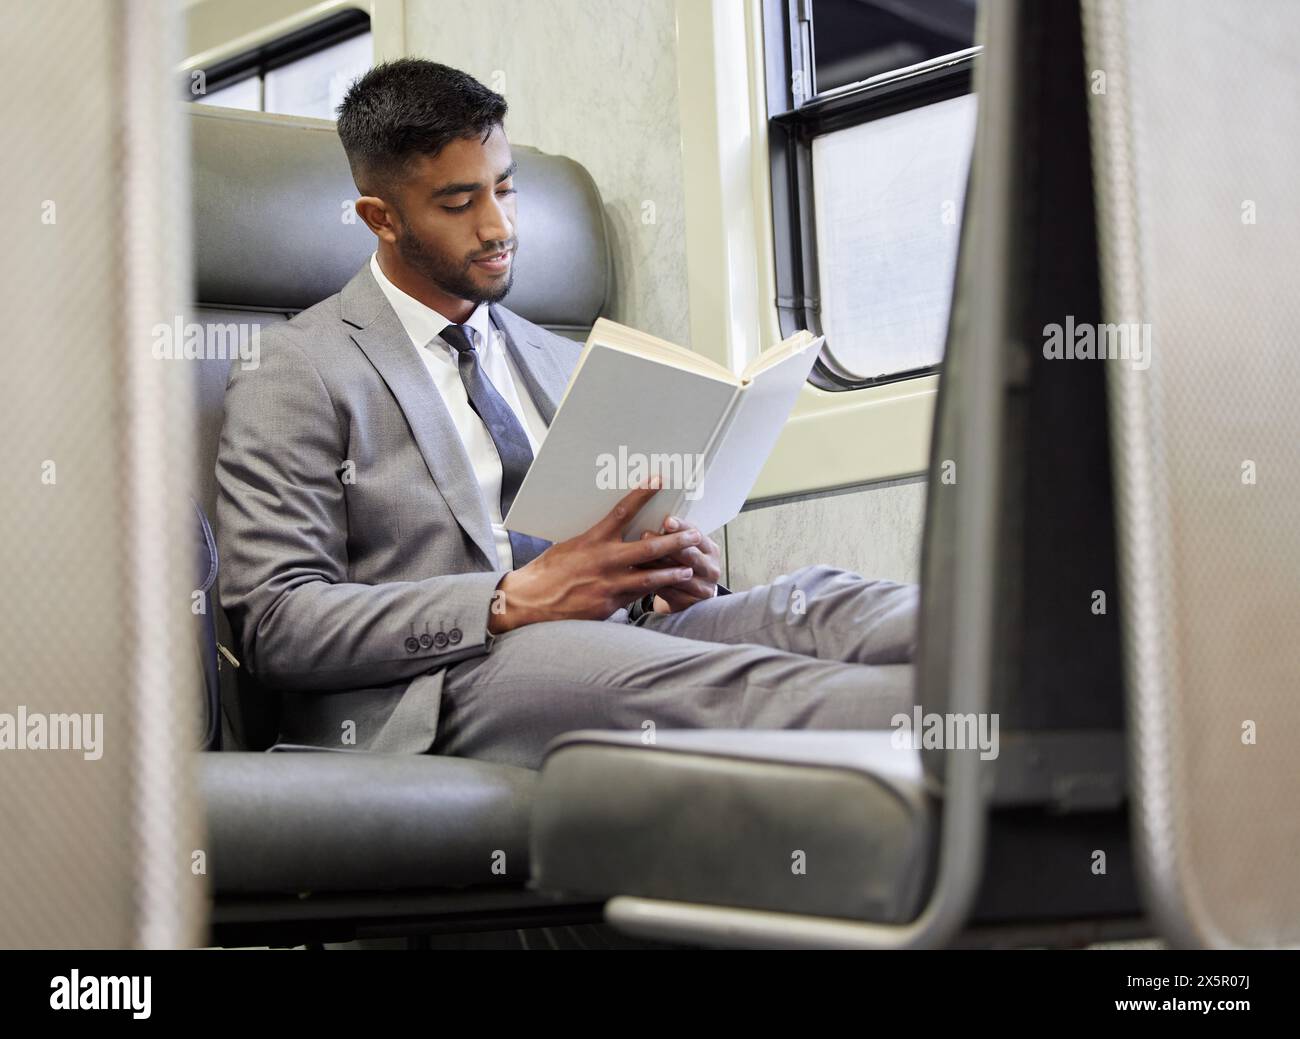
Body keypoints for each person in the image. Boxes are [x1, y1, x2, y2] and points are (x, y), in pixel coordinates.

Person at [215, 58, 918, 770]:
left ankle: (1022, 665)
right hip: (446, 681)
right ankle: (973, 727)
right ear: (381, 218)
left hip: (622, 633)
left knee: (817, 604)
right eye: (459, 204)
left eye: (506, 187)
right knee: (741, 685)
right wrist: (508, 600)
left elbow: (607, 565)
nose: (498, 226)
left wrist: (663, 574)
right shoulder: (296, 367)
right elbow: (278, 623)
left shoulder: (557, 355)